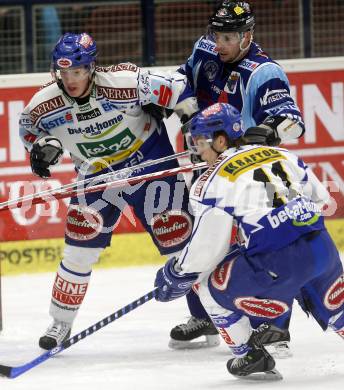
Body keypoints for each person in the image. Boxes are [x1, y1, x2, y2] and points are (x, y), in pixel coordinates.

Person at [19, 32, 199, 350]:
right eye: (63, 73)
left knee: (180, 243)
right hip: (95, 174)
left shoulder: (126, 82)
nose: (70, 80)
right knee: (79, 249)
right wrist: (41, 148)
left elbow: (181, 91)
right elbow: (28, 130)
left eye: (77, 71)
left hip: (150, 162)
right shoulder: (42, 105)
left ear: (91, 68)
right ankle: (60, 323)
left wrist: (190, 126)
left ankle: (208, 317)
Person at [154, 102, 344, 380]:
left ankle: (249, 356)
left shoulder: (210, 180)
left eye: (200, 144)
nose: (198, 153)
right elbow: (324, 202)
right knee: (339, 312)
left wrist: (176, 273)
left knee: (207, 285)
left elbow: (206, 251)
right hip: (323, 251)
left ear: (220, 140)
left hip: (277, 264)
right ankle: (281, 313)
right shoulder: (282, 154)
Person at [170, 0, 305, 352]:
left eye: (229, 36)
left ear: (248, 35)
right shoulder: (204, 50)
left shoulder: (263, 72)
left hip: (244, 173)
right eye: (217, 34)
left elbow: (293, 121)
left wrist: (270, 131)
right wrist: (167, 97)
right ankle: (205, 318)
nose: (221, 43)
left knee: (259, 247)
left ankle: (273, 329)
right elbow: (181, 81)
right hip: (204, 164)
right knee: (199, 237)